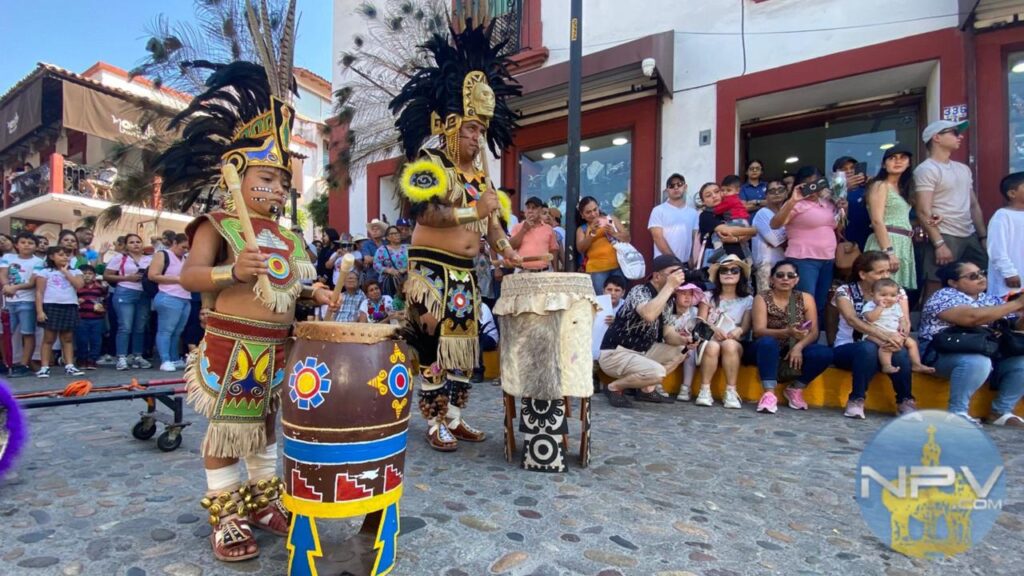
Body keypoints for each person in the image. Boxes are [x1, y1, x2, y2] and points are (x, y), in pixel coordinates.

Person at [136, 13, 335, 561]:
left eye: (282, 182)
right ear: (235, 176)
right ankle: (226, 513)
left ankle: (264, 498)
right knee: (228, 431)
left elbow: (286, 287)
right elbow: (189, 277)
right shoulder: (218, 224)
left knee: (265, 425)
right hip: (233, 342)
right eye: (265, 179)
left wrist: (314, 294)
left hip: (277, 345)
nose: (276, 189)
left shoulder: (288, 236)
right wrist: (233, 272)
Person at [390, 20, 522, 451]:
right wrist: (473, 209)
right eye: (471, 129)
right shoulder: (430, 163)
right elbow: (424, 211)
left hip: (466, 273)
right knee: (432, 344)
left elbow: (492, 223)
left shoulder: (481, 176)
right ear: (450, 126)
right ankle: (433, 422)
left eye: (481, 130)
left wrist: (505, 249)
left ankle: (455, 417)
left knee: (462, 349)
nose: (477, 137)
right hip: (431, 272)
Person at [919, 261, 1024, 426]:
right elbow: (971, 318)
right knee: (977, 361)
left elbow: (1014, 326)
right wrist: (1017, 303)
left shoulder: (990, 299)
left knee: (1020, 362)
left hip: (987, 352)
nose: (981, 278)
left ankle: (1001, 412)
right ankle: (957, 412)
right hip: (940, 354)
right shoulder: (943, 295)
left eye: (982, 273)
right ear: (953, 282)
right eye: (973, 276)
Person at [832, 251, 916, 419]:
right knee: (867, 348)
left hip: (886, 347)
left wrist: (900, 336)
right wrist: (885, 336)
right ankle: (856, 400)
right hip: (850, 347)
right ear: (863, 274)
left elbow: (905, 321)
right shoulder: (845, 291)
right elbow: (852, 320)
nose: (886, 276)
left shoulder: (896, 291)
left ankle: (905, 401)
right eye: (880, 272)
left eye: (888, 271)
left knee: (899, 351)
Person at [598, 255, 688, 408]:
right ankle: (614, 388)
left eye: (680, 272)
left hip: (641, 352)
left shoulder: (668, 300)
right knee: (657, 373)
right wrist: (669, 287)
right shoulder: (639, 290)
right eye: (673, 272)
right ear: (657, 276)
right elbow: (649, 315)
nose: (678, 277)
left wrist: (685, 340)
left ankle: (646, 389)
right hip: (616, 354)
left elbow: (669, 335)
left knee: (681, 350)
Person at [914, 119, 987, 303]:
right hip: (944, 233)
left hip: (969, 233)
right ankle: (929, 321)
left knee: (979, 280)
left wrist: (983, 237)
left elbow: (973, 205)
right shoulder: (926, 169)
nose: (959, 136)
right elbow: (923, 210)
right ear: (936, 137)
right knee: (936, 283)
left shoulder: (963, 169)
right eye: (954, 132)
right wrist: (939, 243)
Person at [751, 259, 833, 413]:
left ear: (797, 280)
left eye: (790, 276)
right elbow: (758, 331)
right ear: (771, 279)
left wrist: (798, 347)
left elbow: (814, 332)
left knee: (824, 353)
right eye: (780, 275)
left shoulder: (805, 298)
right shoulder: (762, 297)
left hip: (794, 346)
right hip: (766, 348)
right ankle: (769, 394)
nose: (785, 279)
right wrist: (786, 332)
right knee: (767, 342)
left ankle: (795, 388)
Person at [770, 166, 843, 320]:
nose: (813, 188)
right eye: (808, 184)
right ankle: (794, 333)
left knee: (819, 303)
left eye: (816, 183)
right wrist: (793, 200)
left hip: (827, 259)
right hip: (803, 259)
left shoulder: (828, 203)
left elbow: (838, 227)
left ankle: (812, 334)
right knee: (801, 302)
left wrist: (843, 208)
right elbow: (775, 224)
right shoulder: (796, 204)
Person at [694, 255, 754, 408]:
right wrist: (713, 329)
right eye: (724, 270)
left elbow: (746, 326)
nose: (729, 273)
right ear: (718, 275)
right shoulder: (708, 296)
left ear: (740, 275)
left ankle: (731, 391)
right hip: (709, 339)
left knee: (729, 345)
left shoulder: (748, 299)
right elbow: (699, 322)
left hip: (733, 341)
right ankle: (704, 390)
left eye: (734, 270)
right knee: (712, 346)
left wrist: (739, 330)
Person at [864, 147, 917, 290]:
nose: (898, 161)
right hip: (886, 241)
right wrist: (889, 251)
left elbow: (899, 218)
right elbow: (877, 220)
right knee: (881, 289)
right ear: (883, 164)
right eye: (892, 158)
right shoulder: (880, 185)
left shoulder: (903, 188)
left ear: (909, 163)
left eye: (903, 158)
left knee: (896, 293)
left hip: (903, 242)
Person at [862, 278, 933, 374]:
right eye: (883, 295)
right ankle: (886, 365)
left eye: (893, 295)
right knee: (887, 345)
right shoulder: (870, 305)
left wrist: (903, 323)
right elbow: (870, 318)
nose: (888, 298)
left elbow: (901, 317)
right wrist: (880, 307)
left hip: (894, 333)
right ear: (872, 294)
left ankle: (916, 364)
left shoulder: (896, 306)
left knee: (912, 343)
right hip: (874, 334)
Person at [33, 246, 85, 377]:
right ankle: (44, 366)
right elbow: (39, 292)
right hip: (51, 305)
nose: (65, 257)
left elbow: (79, 285)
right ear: (52, 257)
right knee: (49, 338)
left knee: (67, 338)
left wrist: (66, 272)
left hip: (70, 305)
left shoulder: (76, 271)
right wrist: (40, 311)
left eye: (67, 255)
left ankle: (69, 365)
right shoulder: (45, 272)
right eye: (61, 255)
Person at [103, 234, 152, 370]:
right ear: (126, 245)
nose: (135, 244)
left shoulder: (149, 259)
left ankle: (137, 356)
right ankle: (122, 357)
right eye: (131, 242)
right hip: (125, 291)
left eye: (138, 242)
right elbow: (107, 275)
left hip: (143, 293)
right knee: (125, 326)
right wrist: (127, 278)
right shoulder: (120, 258)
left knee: (140, 326)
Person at [0, 232, 43, 377]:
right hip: (9, 302)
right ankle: (7, 362)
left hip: (27, 302)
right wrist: (6, 286)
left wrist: (14, 288)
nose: (26, 245)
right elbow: (3, 274)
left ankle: (24, 364)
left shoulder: (38, 261)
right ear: (16, 245)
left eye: (30, 243)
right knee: (5, 333)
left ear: (36, 246)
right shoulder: (8, 257)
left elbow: (32, 282)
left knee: (27, 333)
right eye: (23, 242)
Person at [149, 233, 191, 372]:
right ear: (174, 243)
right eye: (183, 247)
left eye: (188, 248)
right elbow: (153, 275)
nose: (185, 250)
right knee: (166, 330)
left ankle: (174, 358)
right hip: (168, 296)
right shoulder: (162, 254)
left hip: (185, 297)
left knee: (177, 331)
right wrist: (178, 279)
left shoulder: (185, 258)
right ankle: (165, 360)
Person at [576, 195, 628, 293]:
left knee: (618, 297)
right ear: (582, 215)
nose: (593, 214)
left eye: (595, 210)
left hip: (618, 266)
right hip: (596, 270)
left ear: (598, 208)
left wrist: (614, 233)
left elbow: (627, 238)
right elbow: (581, 249)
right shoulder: (582, 229)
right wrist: (592, 233)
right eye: (588, 212)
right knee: (601, 299)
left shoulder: (611, 219)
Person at [696, 183, 756, 266]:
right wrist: (753, 230)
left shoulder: (730, 211)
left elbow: (746, 234)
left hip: (739, 259)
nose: (714, 196)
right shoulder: (706, 215)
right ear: (703, 202)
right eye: (708, 195)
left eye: (717, 192)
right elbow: (727, 230)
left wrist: (737, 239)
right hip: (716, 263)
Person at [986, 171, 1024, 299]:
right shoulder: (1002, 216)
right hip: (1010, 282)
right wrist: (1009, 272)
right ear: (1012, 193)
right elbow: (996, 249)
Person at [648, 173, 699, 264]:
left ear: (685, 187)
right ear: (667, 190)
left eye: (679, 184)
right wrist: (674, 261)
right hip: (665, 262)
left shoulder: (693, 213)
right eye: (671, 186)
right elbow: (657, 237)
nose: (676, 188)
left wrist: (692, 258)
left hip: (686, 263)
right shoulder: (658, 210)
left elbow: (695, 238)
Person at [751, 179, 788, 292]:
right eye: (772, 191)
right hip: (766, 268)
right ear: (766, 196)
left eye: (780, 189)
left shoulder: (790, 213)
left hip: (785, 267)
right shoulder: (762, 213)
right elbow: (777, 241)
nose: (776, 193)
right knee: (766, 300)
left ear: (787, 193)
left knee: (784, 300)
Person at [668, 282, 703, 402]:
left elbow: (698, 332)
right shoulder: (668, 310)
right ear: (676, 295)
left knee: (690, 351)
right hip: (668, 343)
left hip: (687, 345)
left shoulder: (694, 312)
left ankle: (686, 387)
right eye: (683, 293)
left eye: (690, 294)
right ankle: (656, 384)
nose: (687, 297)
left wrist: (692, 340)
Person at [510, 197, 558, 271]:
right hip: (522, 272)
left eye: (534, 208)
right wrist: (524, 229)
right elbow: (512, 246)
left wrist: (556, 271)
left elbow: (554, 251)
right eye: (528, 208)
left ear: (541, 210)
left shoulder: (548, 229)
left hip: (543, 272)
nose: (530, 211)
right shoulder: (518, 227)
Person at [833, 157, 870, 249]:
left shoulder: (867, 189)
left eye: (852, 168)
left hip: (867, 237)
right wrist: (843, 188)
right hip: (845, 240)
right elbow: (837, 219)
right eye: (844, 169)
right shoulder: (832, 192)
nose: (849, 171)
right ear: (836, 173)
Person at [74, 264, 106, 370]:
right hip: (81, 317)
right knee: (81, 339)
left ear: (94, 275)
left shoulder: (100, 287)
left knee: (96, 339)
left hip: (97, 318)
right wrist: (77, 301)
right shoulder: (77, 288)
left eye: (90, 273)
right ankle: (82, 359)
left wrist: (103, 307)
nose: (87, 276)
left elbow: (104, 299)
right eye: (84, 274)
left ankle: (93, 359)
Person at [374, 225, 409, 295]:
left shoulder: (407, 247)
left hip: (407, 280)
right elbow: (376, 265)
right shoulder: (382, 250)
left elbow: (415, 261)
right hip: (390, 282)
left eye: (398, 233)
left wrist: (406, 269)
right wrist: (388, 270)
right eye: (393, 233)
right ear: (387, 237)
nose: (397, 235)